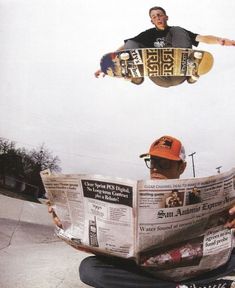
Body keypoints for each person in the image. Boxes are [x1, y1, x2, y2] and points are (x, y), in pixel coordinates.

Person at [48, 136, 235, 288]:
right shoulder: (136, 198)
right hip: (147, 272)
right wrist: (69, 224)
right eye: (152, 162)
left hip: (193, 267)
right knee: (89, 268)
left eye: (164, 164)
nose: (155, 168)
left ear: (182, 167)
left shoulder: (198, 194)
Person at [95, 6, 235, 87]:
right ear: (152, 21)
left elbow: (202, 38)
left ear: (166, 17)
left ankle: (190, 70)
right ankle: (133, 76)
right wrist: (108, 63)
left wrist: (220, 40)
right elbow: (128, 45)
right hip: (159, 77)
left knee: (179, 30)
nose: (158, 18)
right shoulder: (148, 34)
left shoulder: (177, 31)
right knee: (132, 44)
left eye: (160, 15)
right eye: (154, 17)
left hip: (178, 74)